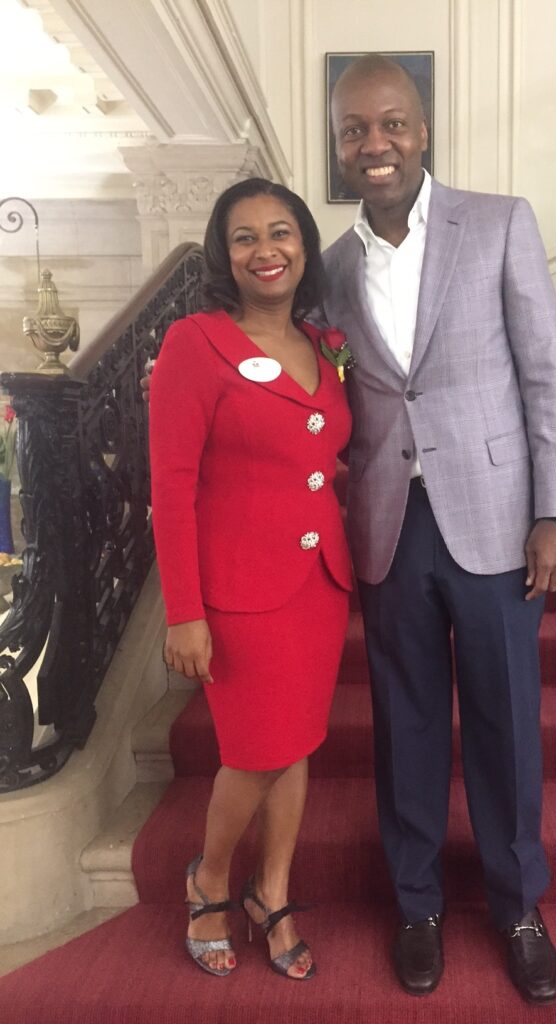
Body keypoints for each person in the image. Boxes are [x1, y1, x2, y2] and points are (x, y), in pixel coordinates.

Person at [323, 55, 556, 1003]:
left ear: (421, 131)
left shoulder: (500, 223)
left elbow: (547, 376)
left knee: (507, 720)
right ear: (341, 144)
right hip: (390, 528)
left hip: (497, 521)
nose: (374, 144)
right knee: (408, 725)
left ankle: (518, 907)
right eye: (356, 130)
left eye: (391, 124)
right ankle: (418, 902)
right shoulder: (333, 268)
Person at [149, 178, 352, 980]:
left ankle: (272, 892)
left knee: (294, 743)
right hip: (238, 591)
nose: (265, 250)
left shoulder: (326, 343)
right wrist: (182, 611)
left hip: (319, 585)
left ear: (304, 245)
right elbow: (171, 483)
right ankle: (208, 878)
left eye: (281, 233)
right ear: (223, 256)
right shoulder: (194, 343)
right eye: (244, 238)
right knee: (256, 751)